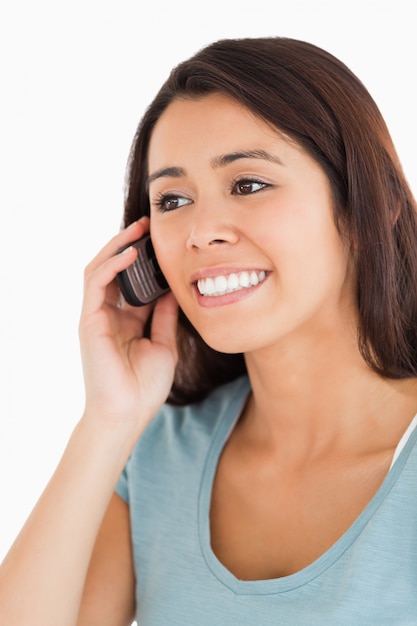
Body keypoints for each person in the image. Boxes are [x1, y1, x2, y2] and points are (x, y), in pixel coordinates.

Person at [1, 36, 417, 625]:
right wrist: (108, 420)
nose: (199, 232)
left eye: (248, 185)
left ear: (369, 203)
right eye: (172, 199)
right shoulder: (156, 458)